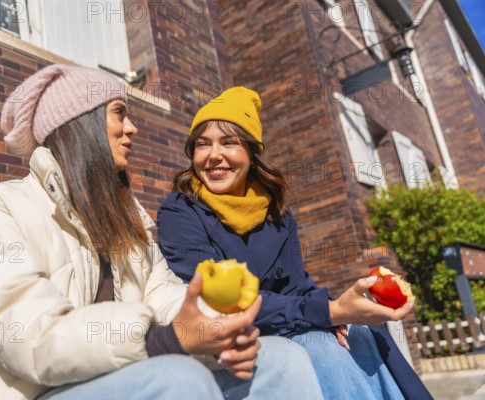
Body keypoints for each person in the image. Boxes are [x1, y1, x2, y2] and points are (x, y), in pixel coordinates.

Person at [0, 65, 324, 400]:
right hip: (34, 391)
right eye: (119, 113)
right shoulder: (1, 206)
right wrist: (165, 340)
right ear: (82, 123)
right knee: (177, 378)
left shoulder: (130, 220)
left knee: (279, 358)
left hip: (122, 374)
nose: (132, 127)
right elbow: (25, 335)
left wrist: (214, 332)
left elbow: (164, 296)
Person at [157, 87, 433, 400]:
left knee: (359, 333)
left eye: (229, 142)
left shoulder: (277, 215)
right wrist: (326, 313)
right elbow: (218, 297)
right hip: (229, 341)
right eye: (202, 145)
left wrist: (335, 311)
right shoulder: (180, 211)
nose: (213, 155)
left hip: (284, 324)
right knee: (323, 349)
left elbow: (296, 287)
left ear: (251, 152)